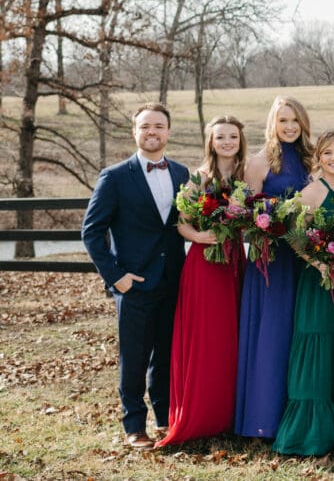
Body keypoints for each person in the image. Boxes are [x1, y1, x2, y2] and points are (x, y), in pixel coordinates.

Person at [82, 102, 189, 449]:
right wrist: (117, 278)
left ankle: (163, 418)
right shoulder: (114, 177)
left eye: (159, 126)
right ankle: (133, 424)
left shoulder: (181, 174)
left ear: (168, 132)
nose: (152, 132)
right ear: (135, 132)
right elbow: (91, 232)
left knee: (165, 354)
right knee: (134, 356)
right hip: (134, 284)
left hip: (173, 280)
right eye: (145, 127)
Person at [157, 116, 247, 448]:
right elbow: (182, 224)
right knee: (206, 338)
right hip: (205, 263)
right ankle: (201, 415)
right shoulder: (200, 177)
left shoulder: (244, 177)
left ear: (240, 140)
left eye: (232, 136)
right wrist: (201, 235)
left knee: (231, 337)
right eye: (220, 136)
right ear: (210, 141)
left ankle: (228, 415)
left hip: (235, 261)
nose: (227, 142)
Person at [273, 130, 334, 455]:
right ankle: (306, 432)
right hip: (320, 281)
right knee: (317, 344)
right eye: (327, 153)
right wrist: (318, 261)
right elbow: (291, 231)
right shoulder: (313, 191)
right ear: (318, 158)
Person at [235, 96, 315, 438]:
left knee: (299, 332)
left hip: (306, 257)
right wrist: (271, 223)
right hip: (273, 259)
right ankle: (263, 417)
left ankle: (296, 414)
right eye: (283, 120)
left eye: (295, 120)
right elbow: (245, 212)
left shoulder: (311, 159)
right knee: (273, 332)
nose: (290, 126)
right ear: (273, 123)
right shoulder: (261, 161)